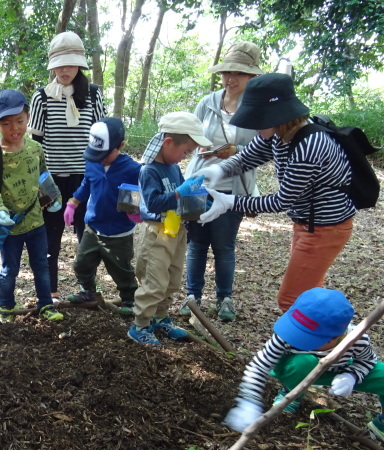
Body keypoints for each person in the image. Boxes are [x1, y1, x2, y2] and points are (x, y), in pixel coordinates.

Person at [197, 73, 355, 312]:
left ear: (278, 116)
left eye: (259, 119)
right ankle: (324, 344)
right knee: (309, 294)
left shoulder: (309, 145)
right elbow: (247, 157)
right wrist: (219, 170)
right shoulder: (277, 135)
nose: (256, 126)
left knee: (291, 301)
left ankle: (318, 345)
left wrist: (230, 202)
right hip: (306, 222)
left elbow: (282, 200)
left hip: (325, 227)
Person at [223, 287, 384, 440]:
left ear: (338, 337)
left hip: (337, 370)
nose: (295, 340)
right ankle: (291, 393)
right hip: (294, 368)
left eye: (306, 338)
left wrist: (352, 376)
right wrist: (249, 401)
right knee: (303, 362)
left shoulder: (357, 340)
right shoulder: (286, 336)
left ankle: (381, 423)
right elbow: (259, 365)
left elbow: (367, 360)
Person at [180, 42, 264, 322]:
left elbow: (264, 149)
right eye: (227, 72)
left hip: (234, 187)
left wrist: (237, 152)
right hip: (201, 182)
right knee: (196, 243)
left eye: (239, 73)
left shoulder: (255, 109)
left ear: (251, 77)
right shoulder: (207, 103)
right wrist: (202, 149)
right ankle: (193, 297)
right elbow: (191, 137)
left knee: (224, 245)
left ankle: (224, 298)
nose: (231, 78)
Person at [28, 31, 105, 303]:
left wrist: (101, 174)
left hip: (85, 178)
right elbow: (34, 142)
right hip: (51, 179)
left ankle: (87, 288)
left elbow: (101, 138)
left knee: (86, 236)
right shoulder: (42, 98)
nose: (64, 69)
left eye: (70, 63)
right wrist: (37, 179)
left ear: (79, 65)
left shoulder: (93, 94)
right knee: (51, 236)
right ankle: (50, 292)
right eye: (60, 64)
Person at [127, 113, 210, 346]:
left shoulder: (174, 168)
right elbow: (152, 203)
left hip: (177, 230)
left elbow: (181, 197)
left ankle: (160, 317)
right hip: (157, 232)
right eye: (185, 151)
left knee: (172, 279)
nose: (186, 156)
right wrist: (179, 193)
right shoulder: (149, 170)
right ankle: (140, 325)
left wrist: (199, 201)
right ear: (168, 143)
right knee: (155, 281)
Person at [0, 89, 64, 324]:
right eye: (6, 123)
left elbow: (43, 175)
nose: (14, 129)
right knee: (9, 269)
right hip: (10, 226)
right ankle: (5, 305)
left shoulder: (35, 149)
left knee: (41, 265)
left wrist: (53, 196)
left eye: (19, 121)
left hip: (36, 221)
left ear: (28, 117)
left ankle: (46, 304)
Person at [64, 117, 141, 316]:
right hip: (93, 226)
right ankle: (87, 291)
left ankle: (129, 299)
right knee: (82, 263)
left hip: (119, 231)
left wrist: (139, 210)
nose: (101, 158)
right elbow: (87, 184)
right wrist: (74, 202)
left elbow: (142, 192)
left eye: (105, 154)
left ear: (121, 145)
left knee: (121, 268)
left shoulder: (133, 169)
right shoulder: (93, 163)